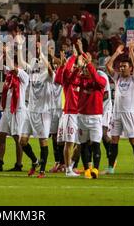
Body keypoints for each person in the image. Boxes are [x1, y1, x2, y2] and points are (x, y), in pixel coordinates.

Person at [105, 41, 134, 175]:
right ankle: (111, 167)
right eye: (120, 66)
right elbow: (107, 65)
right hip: (116, 114)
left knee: (133, 140)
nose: (121, 68)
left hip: (129, 113)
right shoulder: (117, 78)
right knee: (114, 140)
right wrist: (116, 53)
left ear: (130, 68)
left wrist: (131, 50)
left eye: (124, 66)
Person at [18, 41, 53, 178]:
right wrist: (20, 46)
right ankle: (35, 161)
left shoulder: (48, 75)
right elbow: (21, 62)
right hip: (29, 111)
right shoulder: (33, 72)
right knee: (23, 141)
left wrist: (42, 54)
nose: (37, 62)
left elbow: (50, 69)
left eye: (39, 60)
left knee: (42, 141)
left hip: (42, 113)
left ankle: (42, 171)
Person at [0, 49, 29, 172]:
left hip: (18, 110)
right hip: (7, 110)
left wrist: (7, 53)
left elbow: (12, 67)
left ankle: (19, 164)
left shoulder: (23, 75)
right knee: (1, 135)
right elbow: (1, 65)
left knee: (17, 138)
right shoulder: (9, 75)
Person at [73, 46, 106, 179]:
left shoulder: (101, 80)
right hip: (81, 116)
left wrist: (88, 64)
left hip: (95, 117)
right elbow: (70, 80)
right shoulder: (82, 80)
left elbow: (98, 81)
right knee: (84, 144)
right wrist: (79, 67)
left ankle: (96, 170)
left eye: (88, 67)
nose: (86, 69)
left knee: (96, 144)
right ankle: (87, 169)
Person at [54, 44, 81, 177]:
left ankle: (70, 165)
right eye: (74, 66)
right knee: (68, 142)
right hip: (70, 113)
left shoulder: (82, 80)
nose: (75, 68)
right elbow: (66, 72)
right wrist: (74, 56)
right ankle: (68, 169)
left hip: (80, 114)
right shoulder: (69, 80)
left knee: (80, 143)